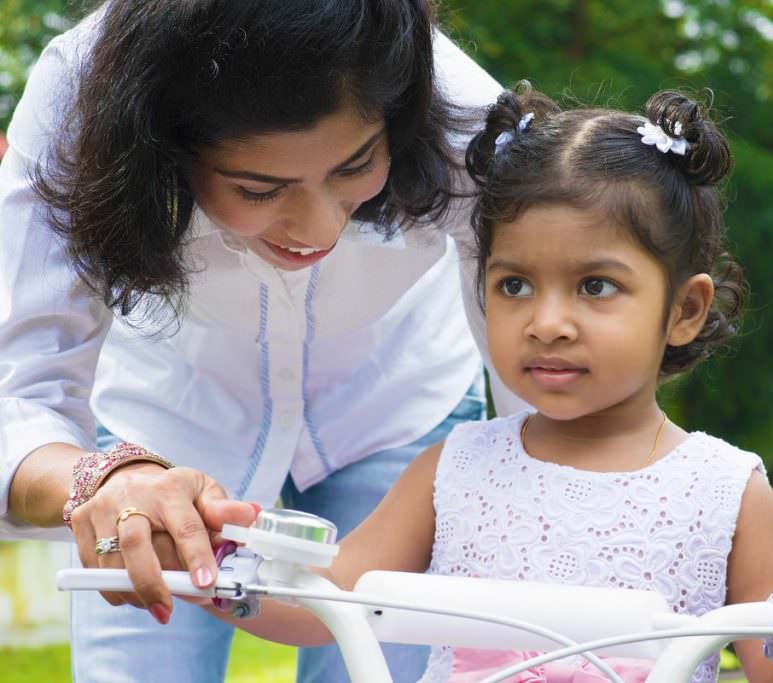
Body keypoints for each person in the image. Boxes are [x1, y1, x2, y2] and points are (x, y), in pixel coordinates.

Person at [212, 86, 773, 682]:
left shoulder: (725, 489)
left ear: (684, 309)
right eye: (514, 285)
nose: (548, 321)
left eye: (595, 286)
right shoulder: (452, 468)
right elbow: (322, 603)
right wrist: (214, 560)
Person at [0, 2, 522, 682]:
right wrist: (104, 478)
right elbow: (18, 390)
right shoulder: (81, 95)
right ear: (166, 146)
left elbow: (545, 389)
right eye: (259, 187)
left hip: (397, 402)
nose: (318, 227)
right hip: (163, 419)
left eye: (356, 165)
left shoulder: (463, 111)